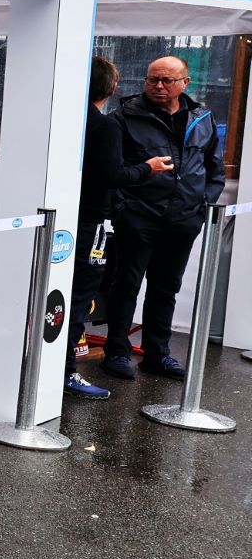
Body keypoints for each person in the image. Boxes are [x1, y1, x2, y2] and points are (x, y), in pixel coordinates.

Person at [96, 55, 224, 381]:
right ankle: (117, 353)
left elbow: (214, 169)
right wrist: (122, 210)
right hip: (139, 217)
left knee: (166, 289)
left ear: (185, 83)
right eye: (153, 79)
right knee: (125, 285)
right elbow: (111, 170)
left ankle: (158, 354)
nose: (159, 86)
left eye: (167, 80)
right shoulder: (125, 117)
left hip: (184, 220)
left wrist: (202, 204)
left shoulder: (202, 118)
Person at [64, 56, 161, 398]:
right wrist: (146, 169)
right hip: (91, 222)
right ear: (113, 87)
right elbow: (112, 175)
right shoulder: (104, 126)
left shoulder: (61, 119)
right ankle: (65, 373)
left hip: (60, 220)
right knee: (78, 297)